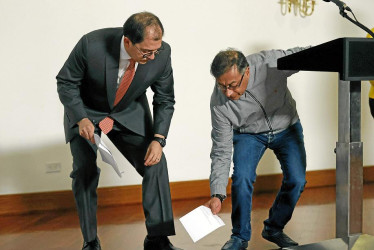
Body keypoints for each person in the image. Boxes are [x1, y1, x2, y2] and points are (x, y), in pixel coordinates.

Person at [56, 12, 181, 250]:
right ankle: (90, 241)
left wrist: (159, 139)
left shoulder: (161, 54)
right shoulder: (91, 45)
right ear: (127, 42)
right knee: (85, 170)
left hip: (127, 111)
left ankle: (157, 238)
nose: (152, 56)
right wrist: (80, 117)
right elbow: (66, 81)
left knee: (156, 162)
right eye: (146, 51)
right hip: (87, 113)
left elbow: (165, 99)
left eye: (156, 50)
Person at [205, 48, 309, 249]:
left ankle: (274, 228)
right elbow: (221, 149)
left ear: (248, 72)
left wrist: (340, 56)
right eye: (222, 86)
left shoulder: (270, 63)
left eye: (233, 85)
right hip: (248, 134)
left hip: (286, 127)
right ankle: (239, 237)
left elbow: (306, 55)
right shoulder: (219, 102)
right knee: (242, 178)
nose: (228, 93)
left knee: (297, 180)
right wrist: (217, 193)